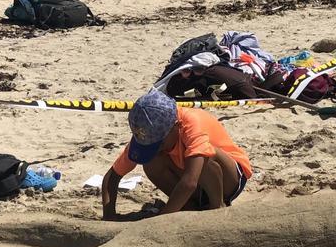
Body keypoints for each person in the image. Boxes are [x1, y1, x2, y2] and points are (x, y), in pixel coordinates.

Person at [101, 89, 252, 220]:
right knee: (150, 161)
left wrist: (161, 221)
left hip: (229, 179)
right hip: (194, 182)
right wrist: (109, 216)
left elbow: (190, 182)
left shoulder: (192, 123)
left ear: (176, 127)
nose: (158, 149)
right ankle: (189, 206)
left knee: (205, 155)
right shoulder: (148, 131)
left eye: (159, 144)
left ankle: (217, 207)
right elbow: (112, 176)